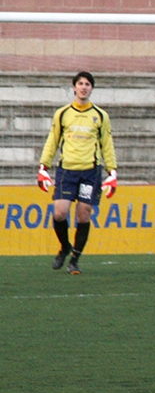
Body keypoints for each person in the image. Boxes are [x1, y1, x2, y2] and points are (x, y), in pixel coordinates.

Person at [37, 71, 117, 275]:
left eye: (87, 84)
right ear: (74, 87)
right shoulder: (63, 113)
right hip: (67, 171)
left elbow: (107, 144)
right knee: (60, 212)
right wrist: (43, 167)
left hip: (90, 172)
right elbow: (52, 141)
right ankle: (65, 246)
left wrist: (112, 171)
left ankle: (75, 260)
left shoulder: (100, 115)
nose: (84, 87)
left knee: (84, 215)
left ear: (92, 88)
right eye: (80, 83)